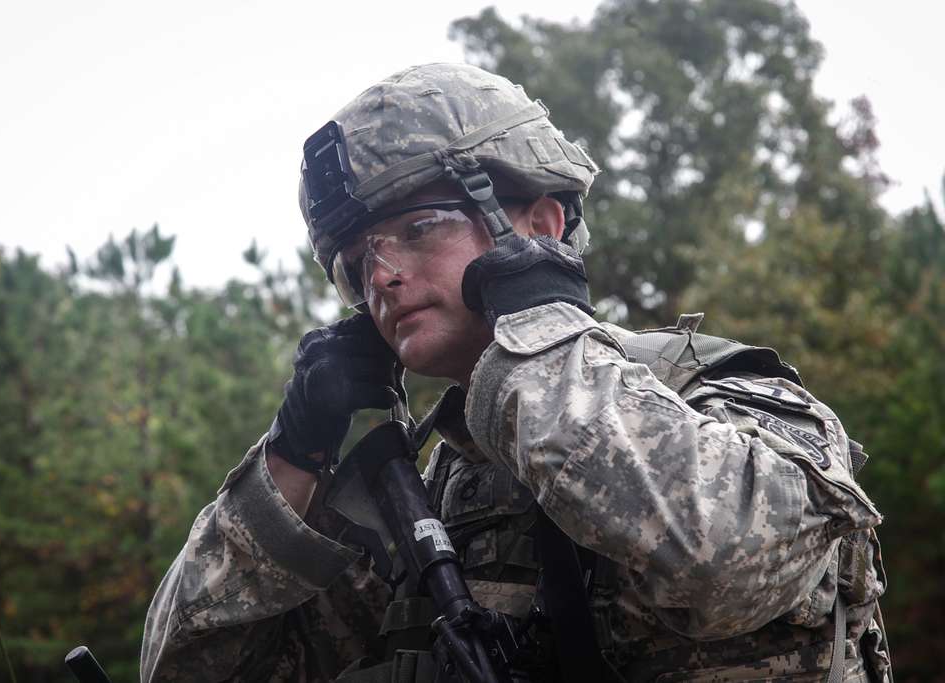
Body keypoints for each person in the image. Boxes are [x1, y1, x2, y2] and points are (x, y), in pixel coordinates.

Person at [140, 63, 891, 682]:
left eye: (417, 228)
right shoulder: (427, 495)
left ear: (539, 224)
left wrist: (540, 326)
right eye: (360, 258)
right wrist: (291, 461)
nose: (385, 276)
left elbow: (728, 565)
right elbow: (189, 669)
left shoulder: (732, 401)